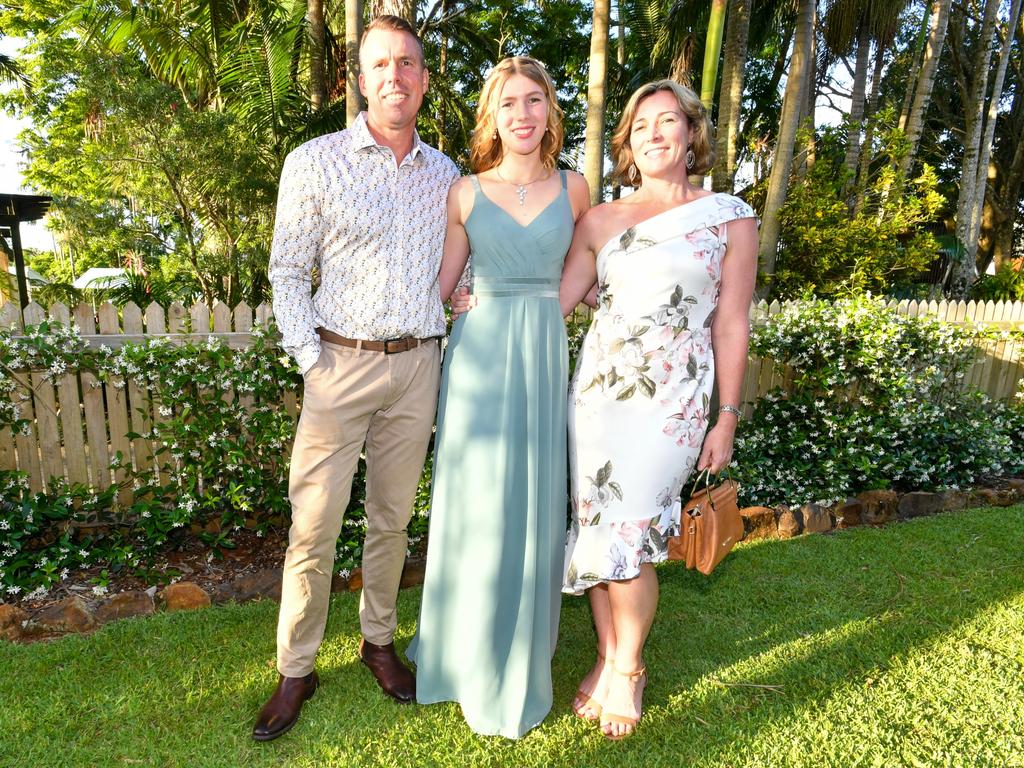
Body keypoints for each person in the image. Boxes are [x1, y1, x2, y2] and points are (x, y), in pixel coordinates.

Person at [253, 15, 459, 742]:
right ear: (358, 79)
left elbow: (457, 271)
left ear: (424, 79)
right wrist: (314, 360)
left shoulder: (448, 175)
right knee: (312, 528)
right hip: (338, 364)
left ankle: (378, 642)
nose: (395, 76)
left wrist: (456, 302)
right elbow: (285, 273)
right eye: (380, 64)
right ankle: (296, 668)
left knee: (392, 520)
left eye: (408, 63)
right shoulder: (314, 162)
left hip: (419, 369)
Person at [557, 79, 758, 740]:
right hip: (598, 400)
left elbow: (731, 324)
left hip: (672, 404)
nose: (655, 134)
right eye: (641, 125)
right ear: (626, 143)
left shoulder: (729, 217)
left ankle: (631, 669)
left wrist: (726, 415)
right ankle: (607, 657)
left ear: (691, 134)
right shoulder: (600, 221)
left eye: (667, 121)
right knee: (596, 529)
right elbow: (557, 300)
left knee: (633, 536)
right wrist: (480, 294)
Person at [406, 56, 590, 738]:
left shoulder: (576, 189)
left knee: (534, 501)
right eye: (508, 102)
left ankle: (518, 657)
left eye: (534, 100)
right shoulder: (464, 192)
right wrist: (447, 301)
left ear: (549, 111)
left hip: (541, 353)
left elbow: (591, 270)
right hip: (479, 358)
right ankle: (459, 654)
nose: (522, 114)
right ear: (494, 115)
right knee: (478, 502)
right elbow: (440, 283)